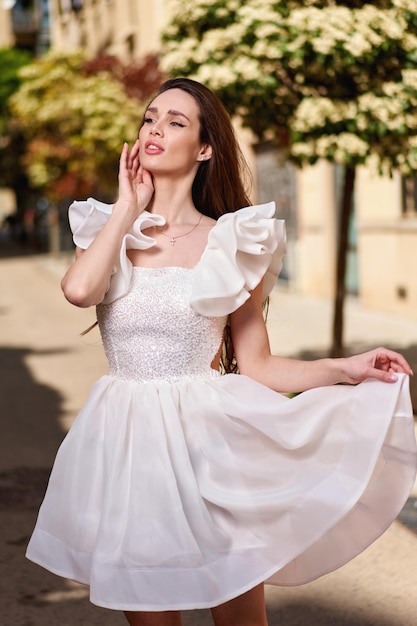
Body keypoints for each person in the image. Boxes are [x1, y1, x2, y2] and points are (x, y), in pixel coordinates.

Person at [26, 78, 416, 626]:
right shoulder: (108, 230)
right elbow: (79, 291)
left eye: (176, 122)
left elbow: (257, 365)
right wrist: (126, 208)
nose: (156, 129)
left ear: (205, 148)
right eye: (150, 118)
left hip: (213, 449)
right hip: (129, 450)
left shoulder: (233, 240)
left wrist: (346, 368)